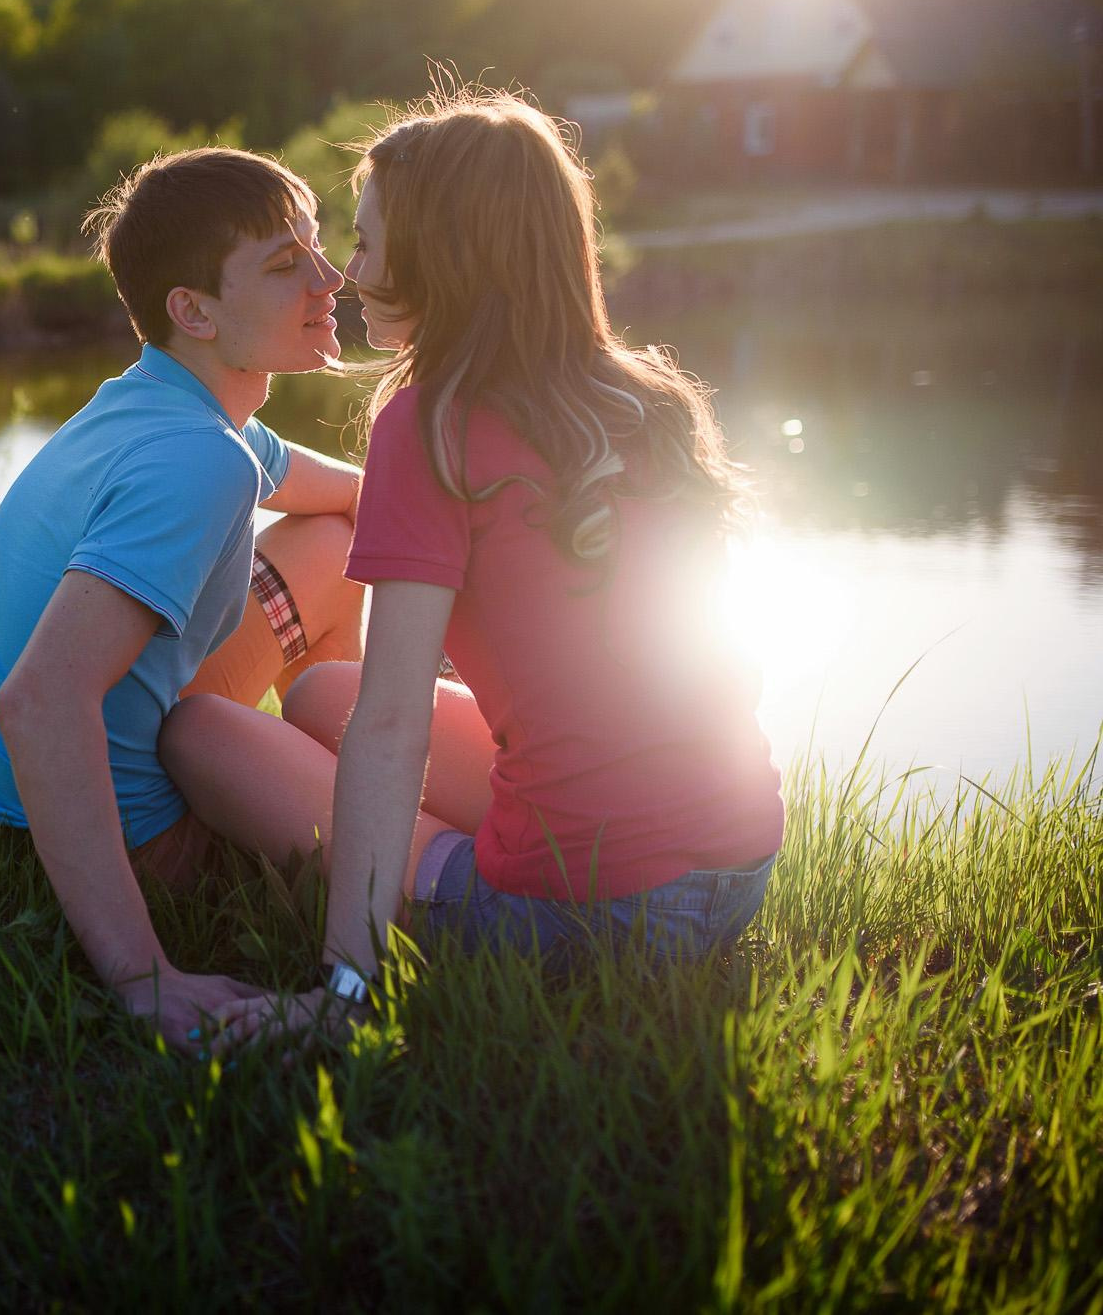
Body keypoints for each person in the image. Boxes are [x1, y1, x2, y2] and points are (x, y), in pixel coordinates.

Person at [206, 89, 785, 1045]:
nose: (347, 273)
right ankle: (492, 846)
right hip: (739, 865)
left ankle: (440, 892)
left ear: (441, 256)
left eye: (366, 241)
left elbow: (395, 724)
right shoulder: (654, 400)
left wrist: (345, 989)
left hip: (596, 919)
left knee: (204, 734)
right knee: (322, 696)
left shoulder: (428, 425)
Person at [0, 147, 368, 1047]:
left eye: (319, 246)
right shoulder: (196, 459)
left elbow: (342, 496)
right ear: (195, 311)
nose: (331, 279)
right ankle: (341, 802)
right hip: (119, 843)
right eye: (286, 266)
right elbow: (40, 701)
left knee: (333, 540)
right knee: (333, 552)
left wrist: (475, 514)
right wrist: (146, 978)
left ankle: (324, 766)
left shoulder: (166, 406)